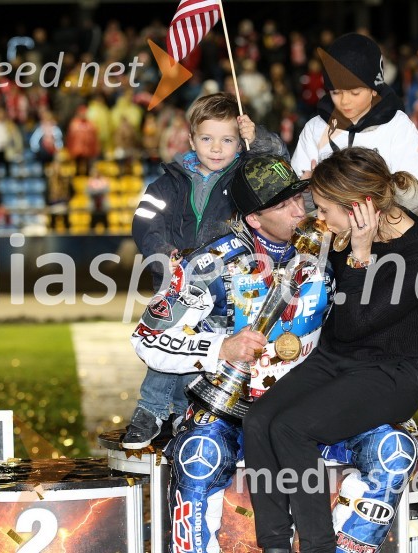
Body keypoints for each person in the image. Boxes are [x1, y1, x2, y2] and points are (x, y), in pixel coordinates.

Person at [244, 147, 418, 553]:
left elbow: (358, 323)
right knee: (258, 420)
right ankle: (274, 545)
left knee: (291, 427)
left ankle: (317, 546)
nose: (319, 217)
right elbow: (341, 329)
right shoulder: (341, 237)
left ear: (358, 208)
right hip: (335, 359)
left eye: (324, 208)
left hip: (392, 373)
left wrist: (360, 255)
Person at [131, 154, 331, 552]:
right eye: (284, 205)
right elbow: (146, 337)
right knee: (197, 456)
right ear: (254, 218)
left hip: (311, 407)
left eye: (299, 198)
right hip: (230, 411)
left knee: (389, 448)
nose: (300, 210)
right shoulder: (211, 263)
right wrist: (220, 347)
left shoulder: (328, 250)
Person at [123, 92, 287, 449]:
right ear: (191, 138)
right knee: (172, 339)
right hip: (176, 279)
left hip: (227, 284)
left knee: (203, 348)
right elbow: (145, 220)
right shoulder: (168, 182)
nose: (216, 148)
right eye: (207, 138)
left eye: (227, 140)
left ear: (239, 143)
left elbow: (278, 168)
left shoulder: (245, 178)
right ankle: (155, 410)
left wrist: (257, 139)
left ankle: (174, 410)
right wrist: (162, 252)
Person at [291, 33, 418, 211]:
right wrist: (306, 190)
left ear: (374, 89)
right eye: (336, 92)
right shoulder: (316, 128)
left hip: (384, 226)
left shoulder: (398, 126)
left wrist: (368, 193)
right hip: (328, 227)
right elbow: (295, 197)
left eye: (354, 92)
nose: (344, 101)